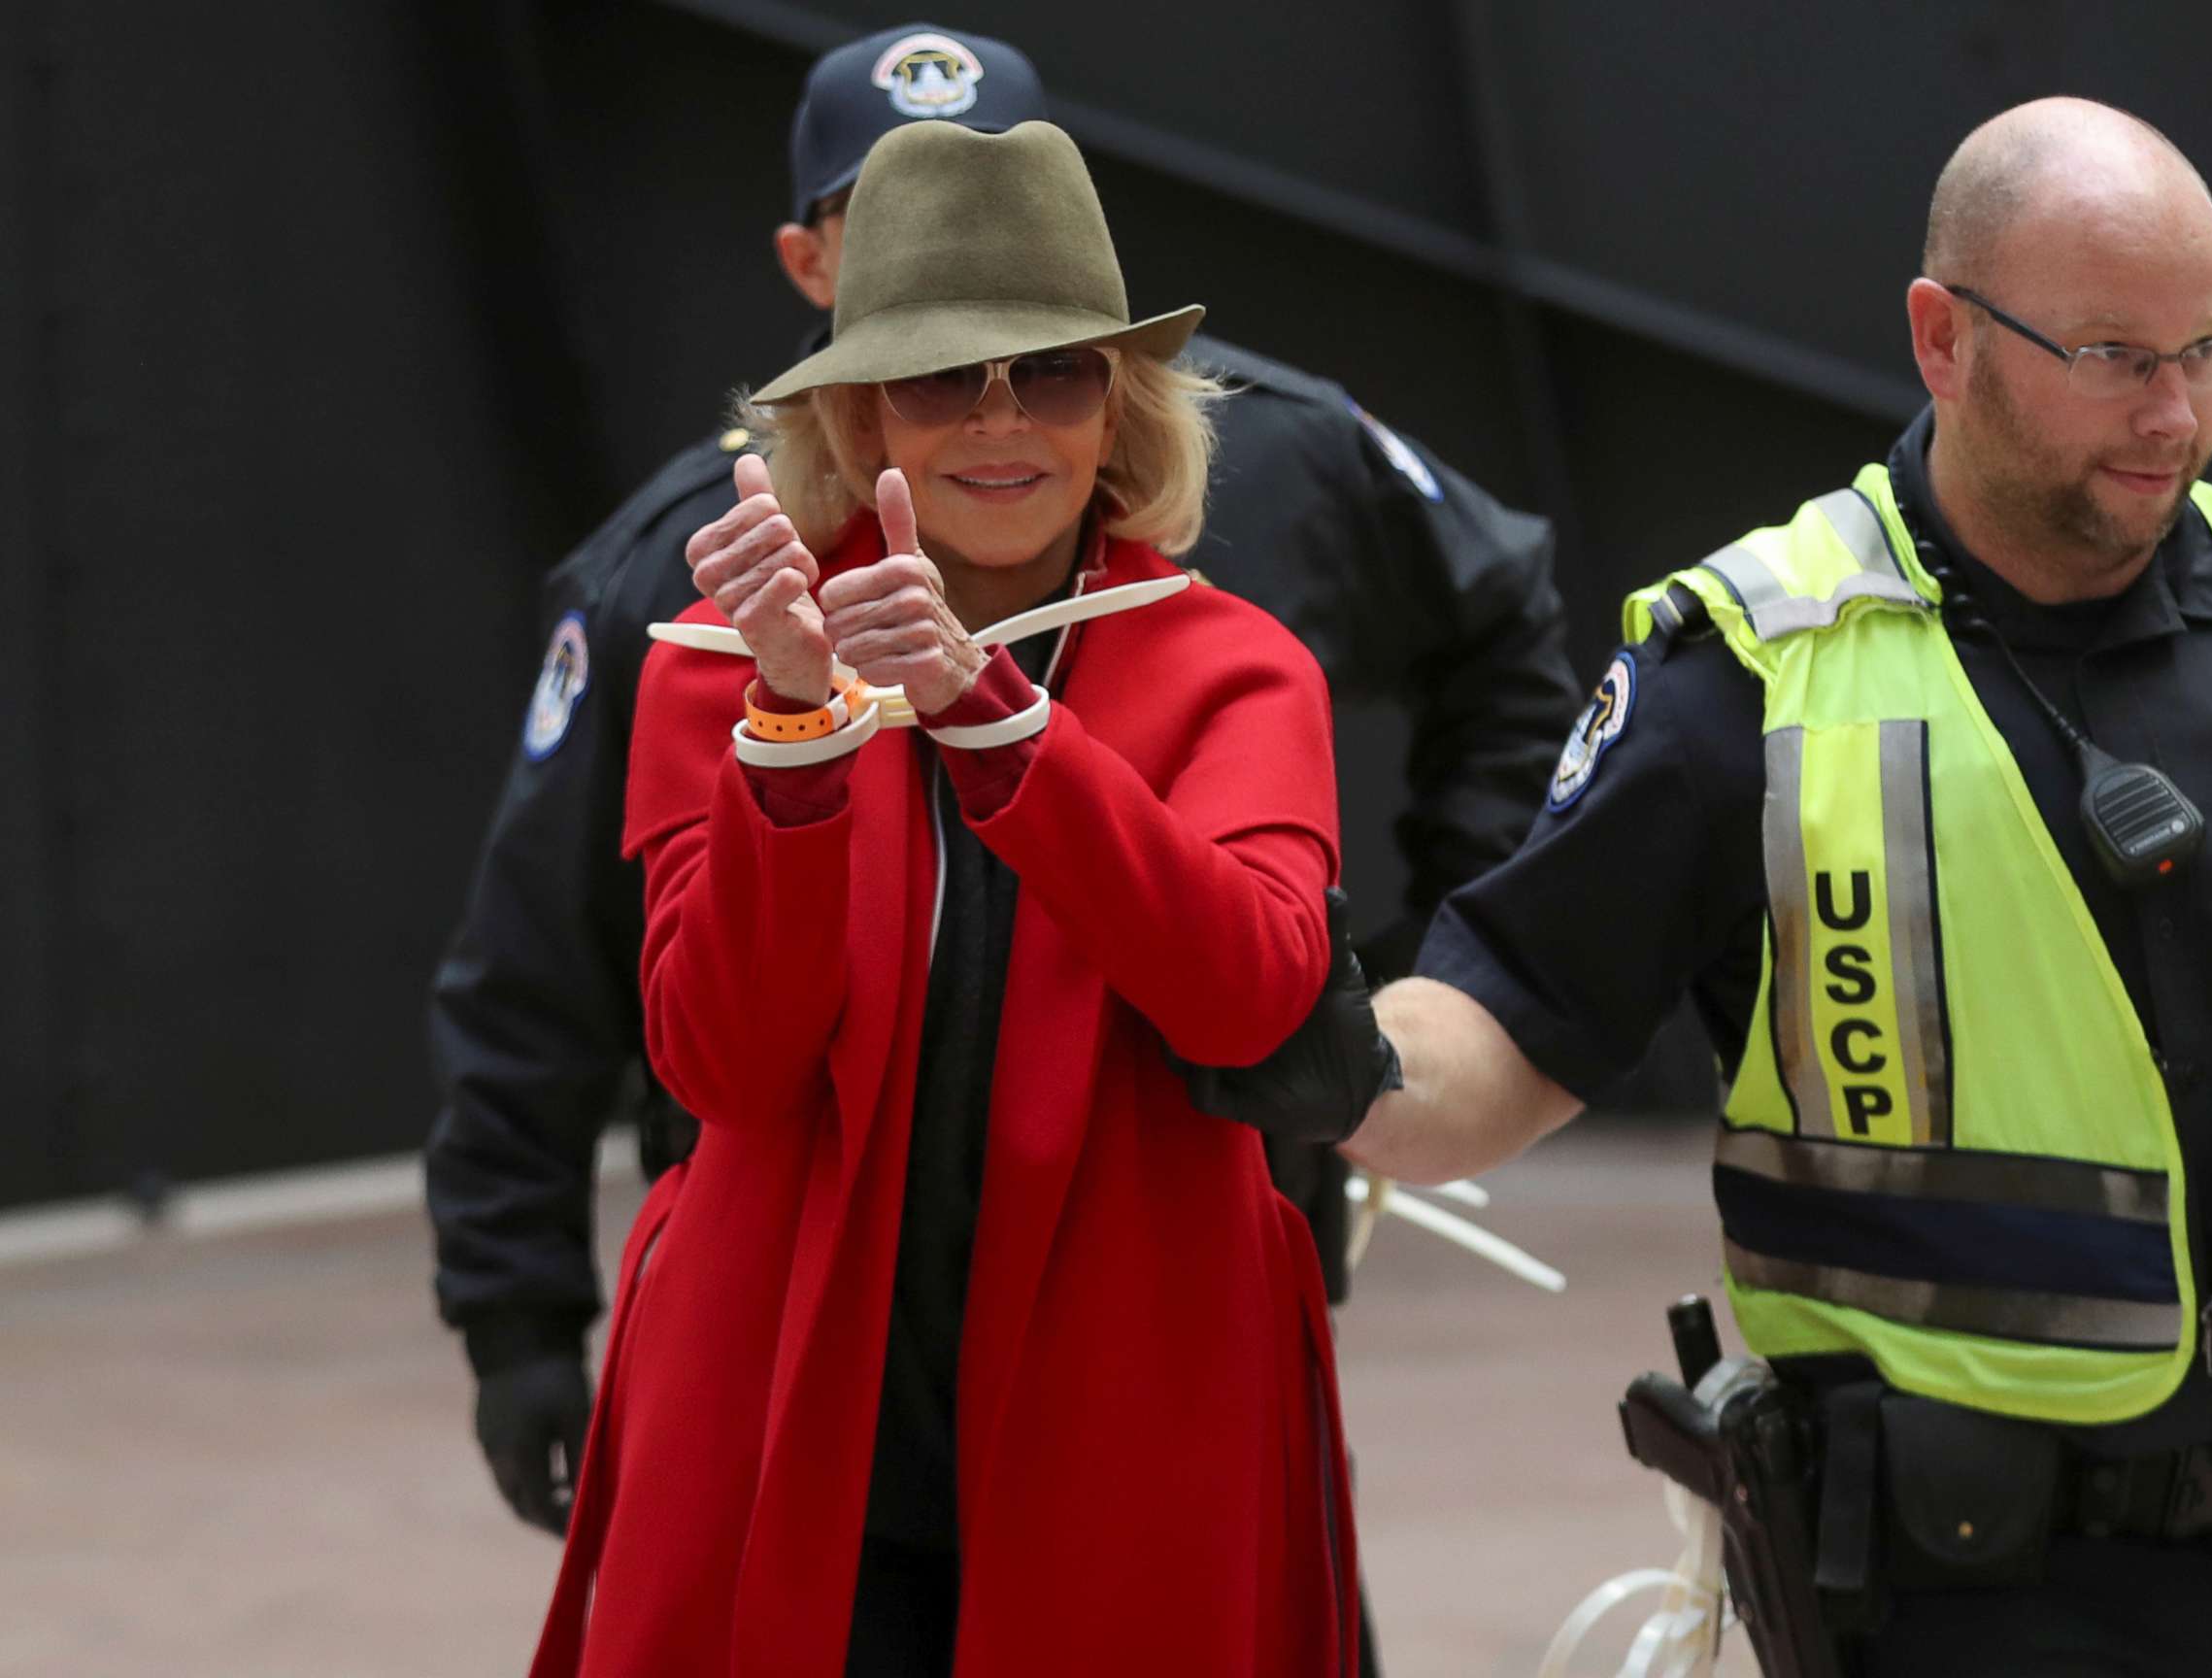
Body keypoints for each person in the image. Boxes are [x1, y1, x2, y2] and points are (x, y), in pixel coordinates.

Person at [1237, 98, 2212, 1675]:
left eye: (2210, 350)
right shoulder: (1759, 676)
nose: (2174, 413)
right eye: (2112, 356)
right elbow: (1497, 1033)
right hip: (1942, 1592)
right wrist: (1293, 1033)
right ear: (1941, 337)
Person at [422, 20, 1575, 1555]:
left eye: (1050, 363)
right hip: (799, 1322)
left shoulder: (1282, 468)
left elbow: (1499, 638)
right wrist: (516, 1312)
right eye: (888, 220)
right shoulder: (705, 577)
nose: (998, 413)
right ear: (816, 276)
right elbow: (554, 962)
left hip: (1170, 1312)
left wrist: (1413, 1003)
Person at [527, 119, 1357, 1676]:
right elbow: (723, 1062)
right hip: (779, 1402)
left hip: (1134, 1406)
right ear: (854, 420)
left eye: (1051, 372)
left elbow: (1252, 987)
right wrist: (795, 728)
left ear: (1119, 407)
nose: (1001, 424)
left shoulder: (1238, 664)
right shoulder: (722, 663)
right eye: (934, 379)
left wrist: (1003, 720)